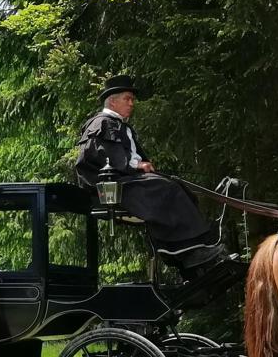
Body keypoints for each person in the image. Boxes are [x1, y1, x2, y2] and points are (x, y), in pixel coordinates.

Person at [74, 74, 224, 278]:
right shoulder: (103, 123)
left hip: (124, 179)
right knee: (166, 189)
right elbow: (108, 157)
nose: (131, 103)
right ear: (112, 101)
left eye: (132, 99)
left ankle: (188, 254)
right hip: (111, 186)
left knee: (179, 188)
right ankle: (182, 252)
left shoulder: (119, 125)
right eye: (127, 98)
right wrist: (137, 165)